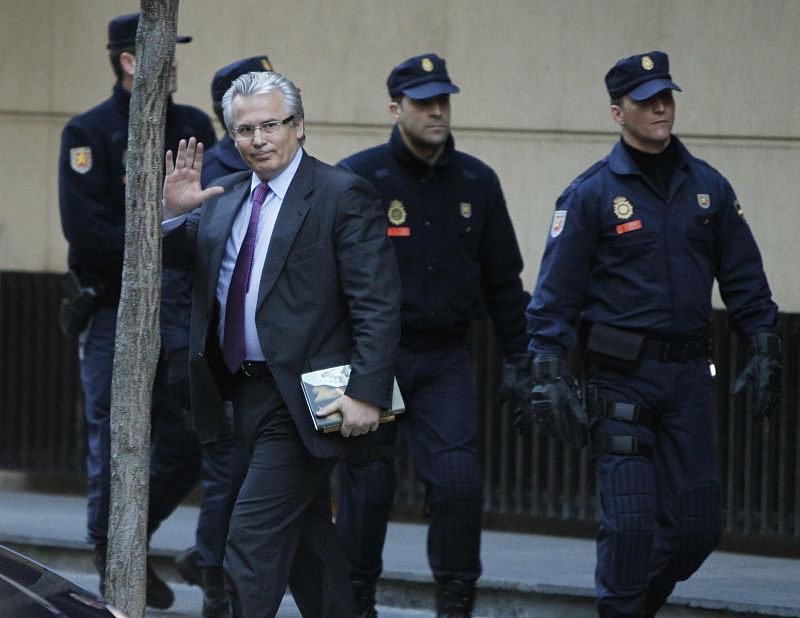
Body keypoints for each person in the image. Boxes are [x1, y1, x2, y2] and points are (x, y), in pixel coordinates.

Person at [523, 51, 781, 618]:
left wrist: (763, 344)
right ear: (618, 113)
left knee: (696, 528)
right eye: (646, 100)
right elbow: (555, 295)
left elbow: (743, 278)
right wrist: (545, 369)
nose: (661, 106)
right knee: (632, 524)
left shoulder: (708, 188)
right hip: (621, 381)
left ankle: (632, 607)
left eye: (666, 95)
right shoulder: (590, 194)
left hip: (689, 379)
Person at [160, 70, 401, 618]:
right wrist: (175, 213)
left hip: (315, 398)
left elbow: (377, 301)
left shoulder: (342, 193)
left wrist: (367, 391)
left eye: (271, 124)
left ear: (298, 127)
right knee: (309, 546)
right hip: (248, 392)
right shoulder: (226, 199)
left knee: (251, 537)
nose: (258, 139)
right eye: (244, 130)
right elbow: (184, 259)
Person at [336, 53, 531, 618]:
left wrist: (522, 360)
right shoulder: (359, 177)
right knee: (368, 488)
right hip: (372, 354)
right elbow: (326, 276)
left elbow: (504, 281)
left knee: (457, 485)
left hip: (445, 356)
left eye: (443, 100)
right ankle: (355, 600)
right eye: (424, 102)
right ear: (396, 108)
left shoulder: (478, 180)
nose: (437, 111)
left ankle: (454, 603)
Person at [57, 12, 211, 610]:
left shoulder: (194, 127)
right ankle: (111, 555)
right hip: (108, 309)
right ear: (130, 60)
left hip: (179, 306)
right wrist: (163, 232)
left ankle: (131, 540)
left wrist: (169, 232)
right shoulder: (88, 132)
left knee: (189, 433)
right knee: (113, 435)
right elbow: (86, 232)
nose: (174, 63)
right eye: (165, 52)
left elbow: (207, 216)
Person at [173, 55, 273, 618]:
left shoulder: (288, 173)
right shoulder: (207, 172)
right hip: (217, 357)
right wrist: (178, 354)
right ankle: (214, 578)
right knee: (225, 473)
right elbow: (176, 272)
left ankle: (224, 572)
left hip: (276, 365)